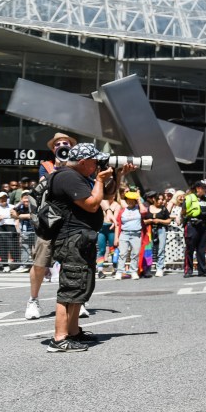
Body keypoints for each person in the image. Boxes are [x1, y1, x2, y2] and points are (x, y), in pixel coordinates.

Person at [46, 144, 132, 352]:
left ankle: (73, 332)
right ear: (83, 162)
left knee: (81, 286)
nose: (97, 165)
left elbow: (106, 198)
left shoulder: (80, 177)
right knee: (71, 286)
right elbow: (92, 204)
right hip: (71, 238)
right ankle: (59, 338)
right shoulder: (67, 177)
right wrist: (100, 179)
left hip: (81, 239)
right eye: (94, 161)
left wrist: (117, 176)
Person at [182, 179, 206, 277]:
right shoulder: (189, 198)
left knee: (201, 250)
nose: (205, 190)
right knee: (190, 249)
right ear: (198, 188)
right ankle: (188, 271)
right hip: (192, 226)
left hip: (203, 226)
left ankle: (203, 271)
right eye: (204, 188)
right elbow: (184, 211)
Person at [114, 190, 145, 279]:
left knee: (135, 254)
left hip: (136, 234)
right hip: (124, 234)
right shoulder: (122, 211)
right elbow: (118, 224)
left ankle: (133, 271)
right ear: (126, 200)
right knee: (122, 253)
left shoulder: (139, 209)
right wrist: (116, 237)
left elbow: (144, 212)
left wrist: (139, 200)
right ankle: (119, 272)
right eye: (128, 200)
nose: (130, 201)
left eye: (132, 200)